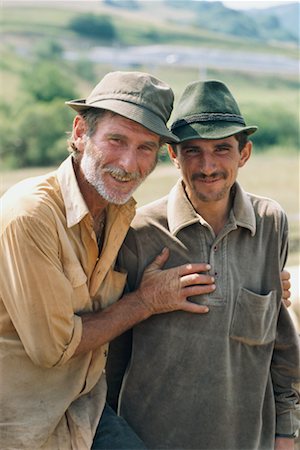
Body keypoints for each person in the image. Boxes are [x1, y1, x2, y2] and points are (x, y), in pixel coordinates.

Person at [0, 71, 220, 450]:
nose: (128, 163)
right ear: (80, 133)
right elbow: (55, 348)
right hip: (21, 425)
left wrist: (263, 279)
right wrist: (146, 302)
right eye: (116, 140)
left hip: (84, 409)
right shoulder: (30, 215)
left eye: (145, 148)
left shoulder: (119, 213)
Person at [107, 80, 300, 450]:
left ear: (244, 153)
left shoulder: (270, 223)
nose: (207, 165)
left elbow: (281, 346)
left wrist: (284, 434)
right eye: (192, 150)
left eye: (222, 149)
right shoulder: (137, 233)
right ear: (173, 155)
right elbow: (111, 362)